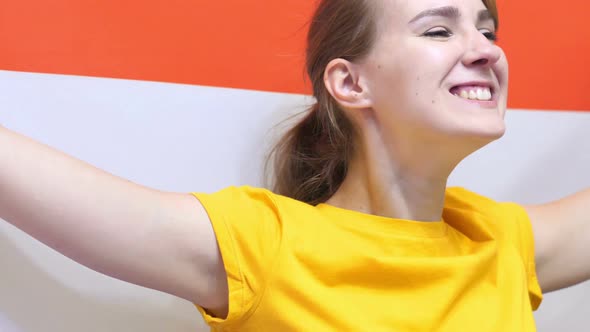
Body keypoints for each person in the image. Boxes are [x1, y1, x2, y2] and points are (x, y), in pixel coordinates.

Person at [0, 0, 588, 330]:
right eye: (439, 29)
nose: (488, 49)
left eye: (488, 30)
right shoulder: (264, 244)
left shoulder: (503, 242)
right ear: (350, 82)